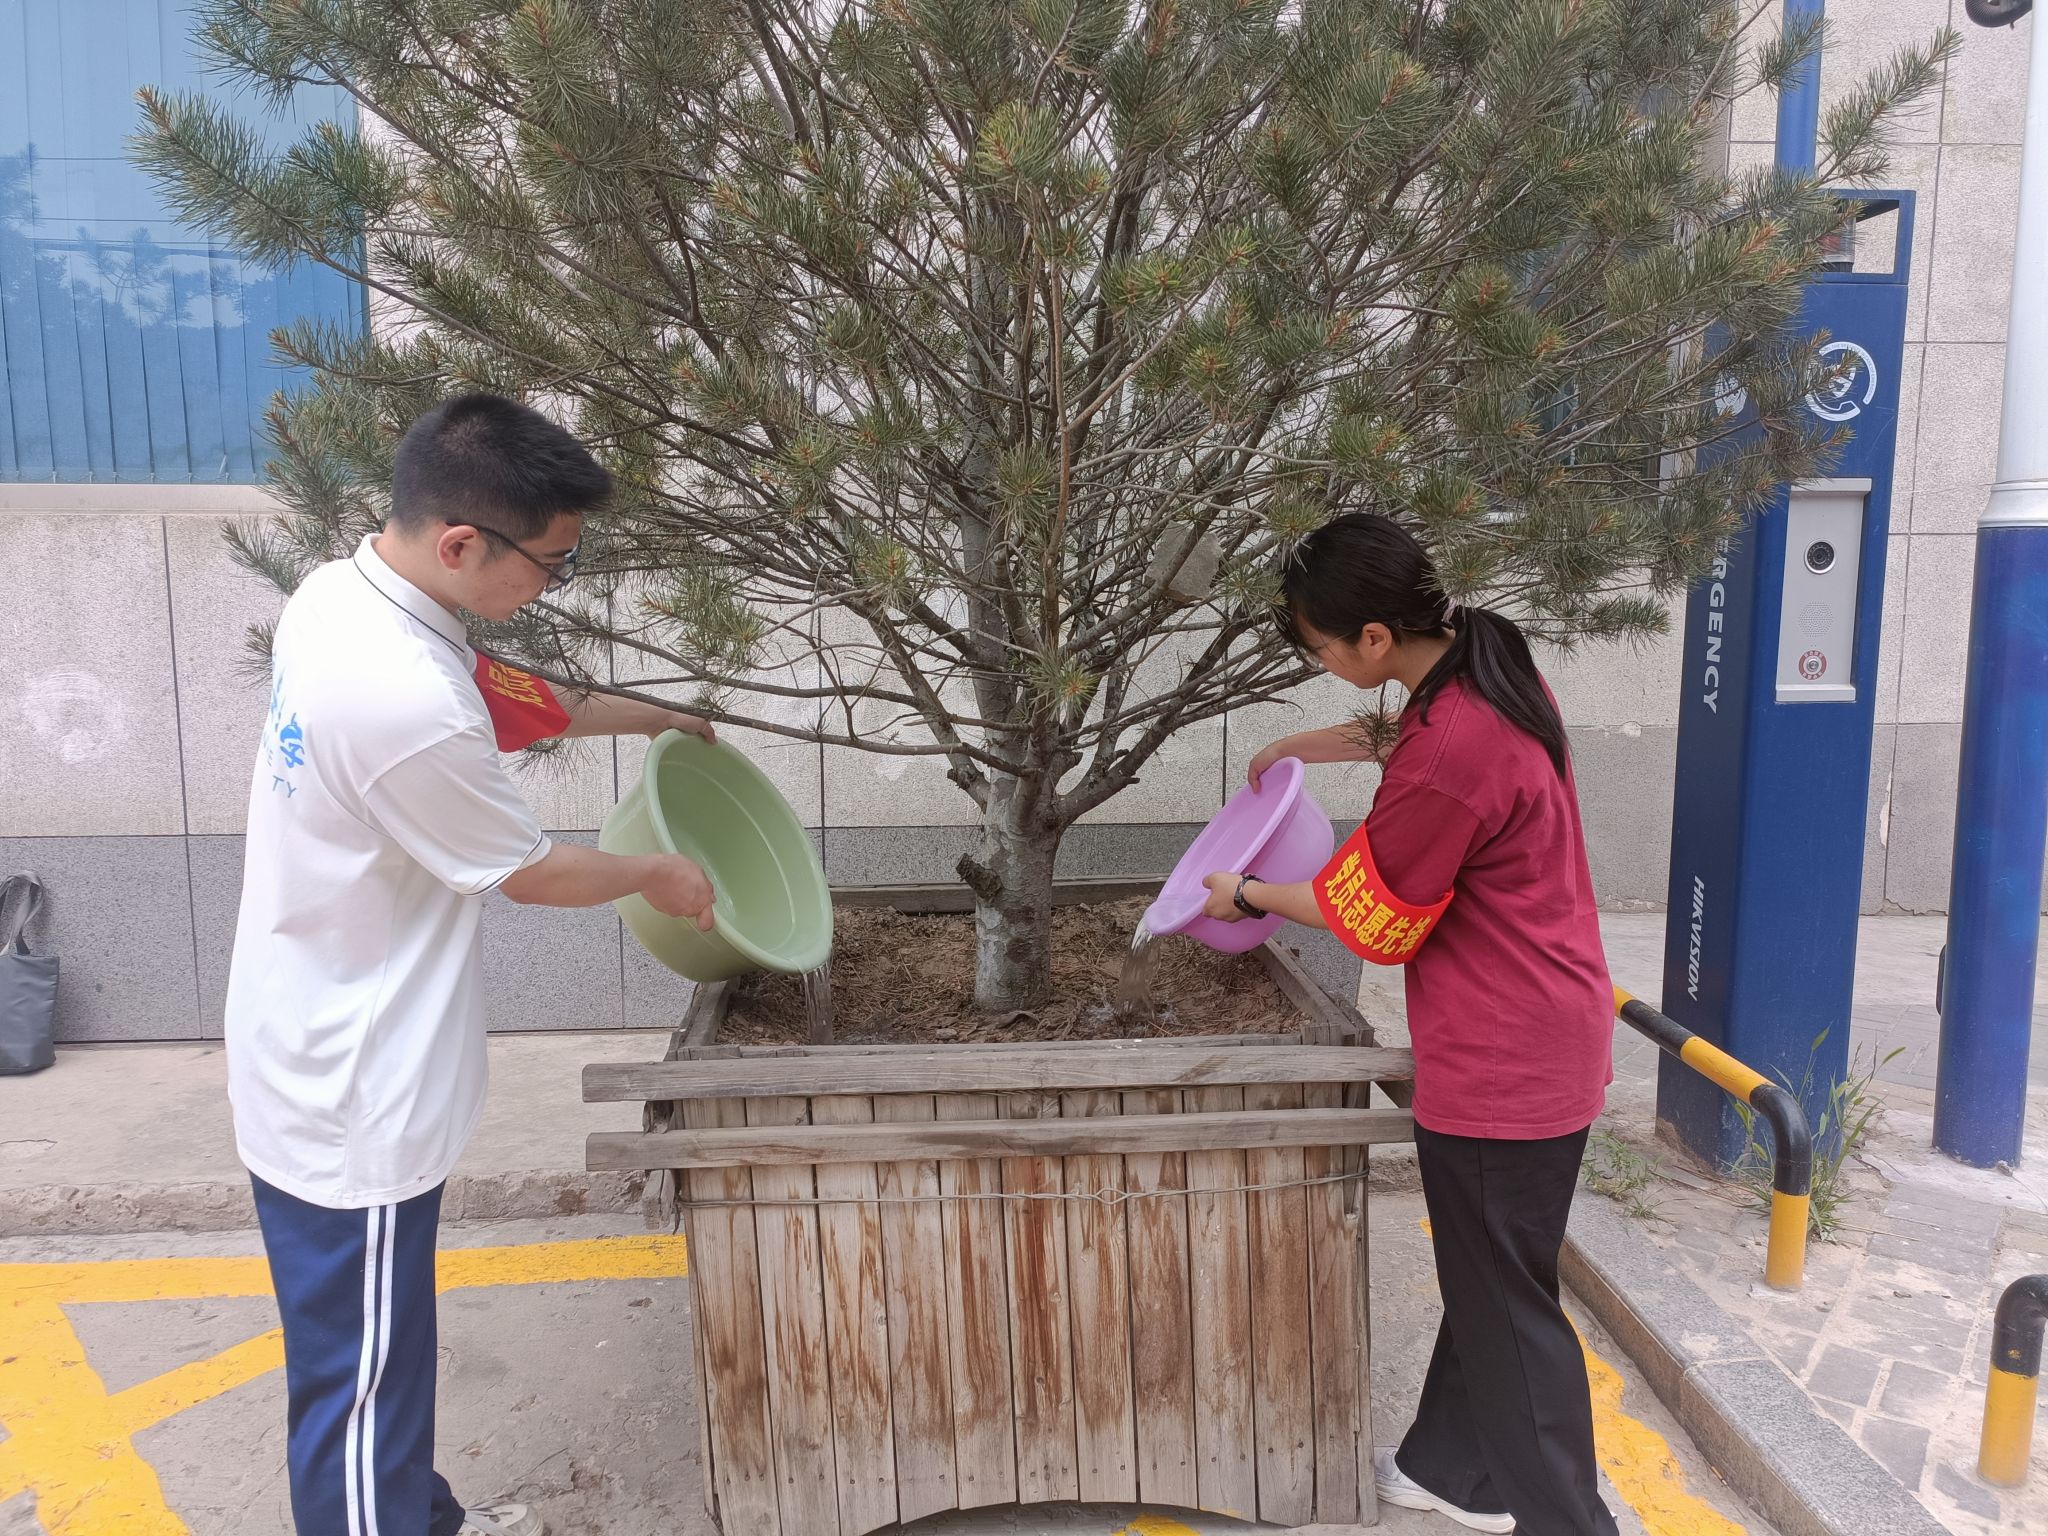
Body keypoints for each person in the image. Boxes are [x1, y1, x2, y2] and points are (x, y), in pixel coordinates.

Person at [225, 393, 722, 1536]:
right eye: (551, 564)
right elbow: (528, 871)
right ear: (461, 544)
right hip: (351, 1088)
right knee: (358, 1395)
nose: (554, 585)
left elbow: (495, 698)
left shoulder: (341, 597)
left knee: (381, 1354)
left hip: (311, 1026)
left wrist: (650, 717)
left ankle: (424, 1517)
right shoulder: (399, 700)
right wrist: (657, 873)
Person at [1203, 512, 1619, 1536]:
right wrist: (1296, 748)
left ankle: (1570, 1522)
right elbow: (1402, 733)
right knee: (1494, 1279)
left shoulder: (1449, 755)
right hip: (1551, 1028)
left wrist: (1245, 892)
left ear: (1375, 638)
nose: (1321, 661)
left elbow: (1369, 916)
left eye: (1321, 647)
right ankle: (1455, 1473)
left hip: (1500, 1058)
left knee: (1509, 1314)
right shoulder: (1487, 658)